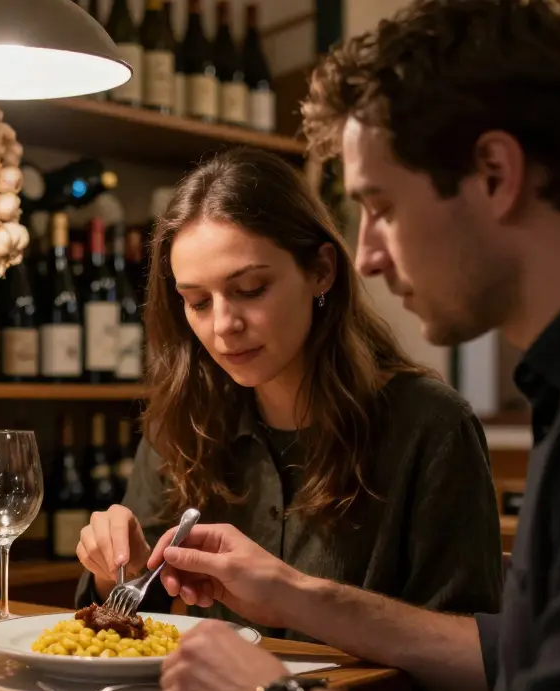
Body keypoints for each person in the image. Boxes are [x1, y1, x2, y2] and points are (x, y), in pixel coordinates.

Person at [152, 1, 560, 691]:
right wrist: (295, 595)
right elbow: (518, 658)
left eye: (381, 206)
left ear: (494, 172)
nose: (369, 256)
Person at [72, 145, 503, 645]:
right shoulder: (184, 421)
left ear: (321, 270)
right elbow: (127, 626)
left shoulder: (430, 426)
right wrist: (113, 571)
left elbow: (475, 659)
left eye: (251, 289)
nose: (223, 326)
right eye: (197, 302)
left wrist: (299, 596)